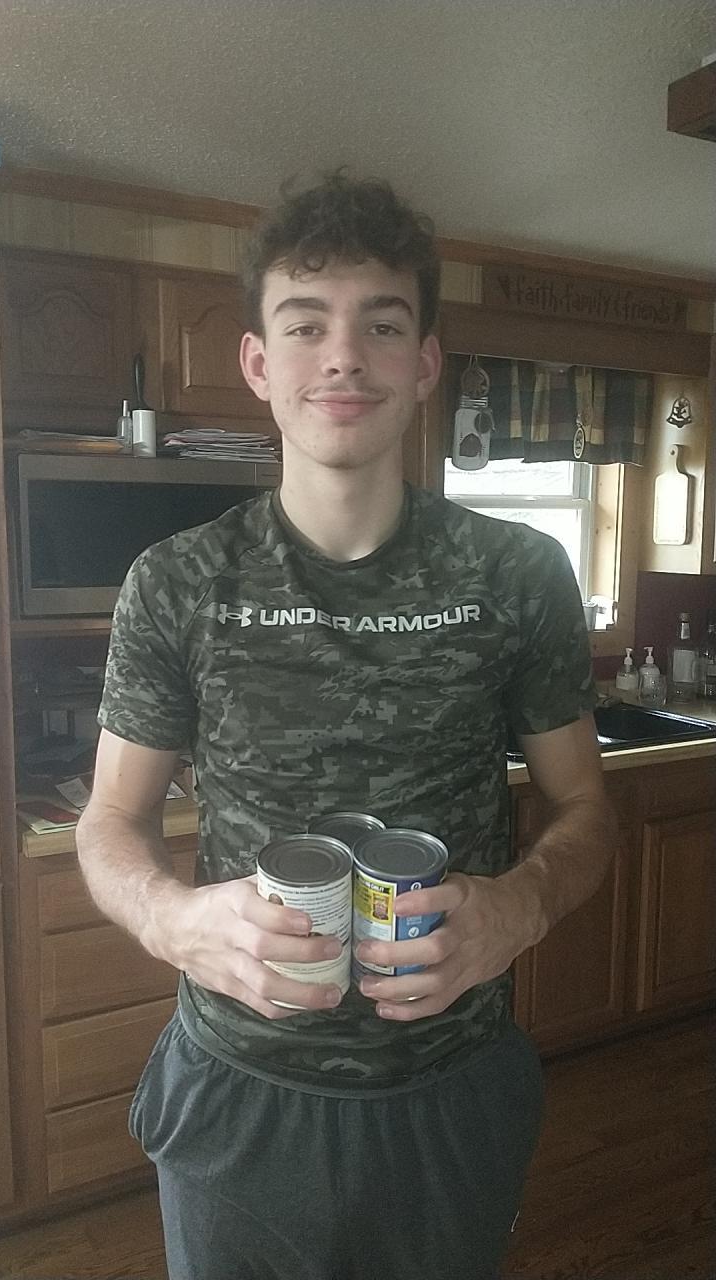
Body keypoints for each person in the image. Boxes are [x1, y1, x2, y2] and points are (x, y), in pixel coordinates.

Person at [76, 171, 616, 1280]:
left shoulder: (517, 574)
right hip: (240, 1090)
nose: (343, 357)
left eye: (381, 323)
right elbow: (109, 821)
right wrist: (172, 920)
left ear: (425, 361)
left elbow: (585, 807)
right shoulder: (177, 583)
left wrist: (519, 906)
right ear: (257, 363)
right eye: (305, 323)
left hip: (449, 1088)